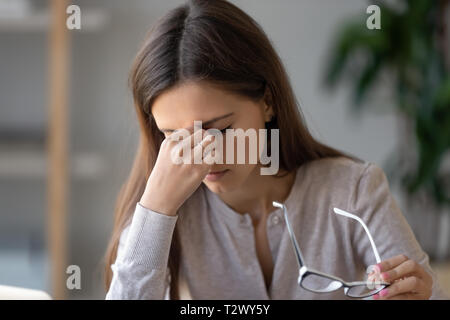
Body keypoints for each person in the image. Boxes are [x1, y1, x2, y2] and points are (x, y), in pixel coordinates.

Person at [104, 0, 448, 300]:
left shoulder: (354, 190)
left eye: (220, 130)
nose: (202, 155)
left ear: (267, 102)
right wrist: (155, 210)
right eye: (174, 137)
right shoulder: (165, 213)